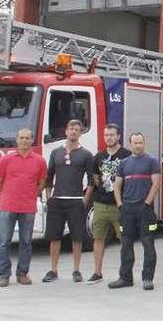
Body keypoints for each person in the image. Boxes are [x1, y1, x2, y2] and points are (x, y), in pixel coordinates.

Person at [43, 119, 94, 283]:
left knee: (77, 237)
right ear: (65, 131)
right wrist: (49, 196)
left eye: (77, 129)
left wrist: (85, 199)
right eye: (71, 128)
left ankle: (76, 270)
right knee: (55, 236)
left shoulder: (86, 154)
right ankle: (53, 270)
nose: (73, 132)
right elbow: (49, 176)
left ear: (80, 133)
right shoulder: (56, 152)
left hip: (76, 200)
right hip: (57, 200)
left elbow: (92, 180)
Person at [107, 133, 161, 290]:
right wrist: (120, 205)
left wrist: (147, 203)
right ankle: (125, 278)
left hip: (145, 210)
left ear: (144, 144)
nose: (138, 145)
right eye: (135, 143)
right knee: (126, 243)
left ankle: (147, 278)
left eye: (140, 142)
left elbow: (155, 184)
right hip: (127, 210)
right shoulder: (124, 163)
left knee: (148, 243)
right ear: (130, 144)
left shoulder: (152, 161)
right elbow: (117, 186)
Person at [0, 128, 47, 286]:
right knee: (4, 242)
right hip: (7, 205)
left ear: (32, 140)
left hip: (28, 206)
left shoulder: (39, 160)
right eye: (21, 138)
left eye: (27, 138)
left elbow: (41, 182)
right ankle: (4, 275)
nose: (24, 141)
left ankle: (22, 273)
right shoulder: (6, 159)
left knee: (26, 242)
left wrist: (32, 194)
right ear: (17, 139)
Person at [86, 124, 131, 284]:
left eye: (112, 135)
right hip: (100, 205)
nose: (109, 138)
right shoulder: (98, 157)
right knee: (98, 238)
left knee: (124, 240)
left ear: (118, 136)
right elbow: (95, 179)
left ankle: (125, 274)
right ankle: (97, 272)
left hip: (119, 206)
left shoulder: (127, 155)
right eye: (106, 135)